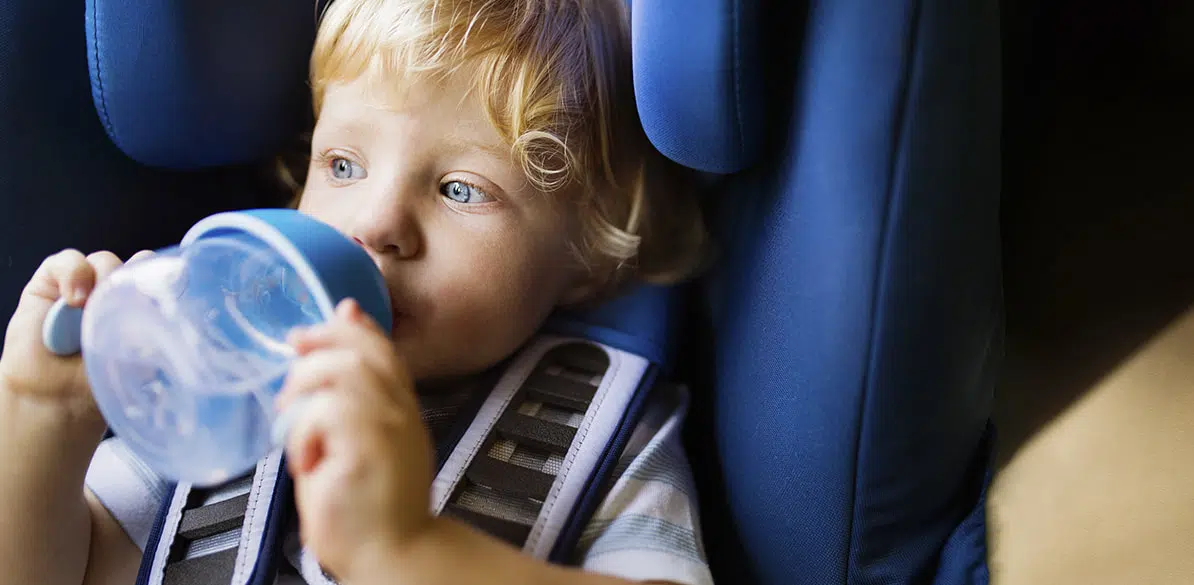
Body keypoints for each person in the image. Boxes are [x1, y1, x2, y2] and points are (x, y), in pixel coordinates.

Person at [0, 0, 712, 584]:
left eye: (461, 189)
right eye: (343, 164)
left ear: (587, 253)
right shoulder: (221, 378)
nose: (376, 225)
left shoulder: (602, 432)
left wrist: (408, 551)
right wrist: (44, 420)